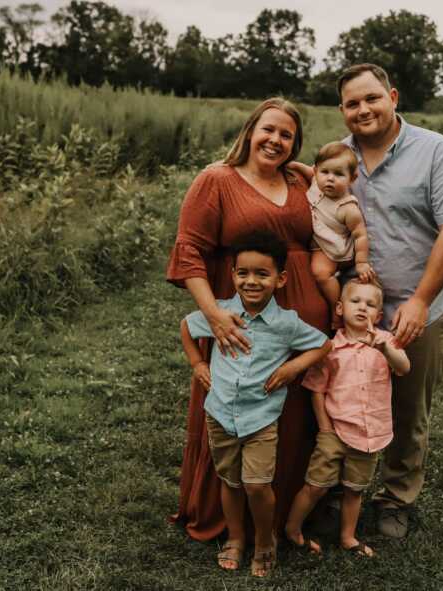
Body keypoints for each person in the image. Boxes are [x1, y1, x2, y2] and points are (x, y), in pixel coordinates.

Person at [165, 98, 330, 557]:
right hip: (240, 318)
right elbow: (189, 252)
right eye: (269, 130)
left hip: (296, 325)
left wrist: (305, 167)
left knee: (292, 415)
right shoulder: (216, 179)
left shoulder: (299, 179)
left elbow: (339, 183)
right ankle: (229, 517)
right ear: (250, 129)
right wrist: (214, 316)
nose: (276, 141)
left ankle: (282, 513)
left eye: (287, 136)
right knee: (235, 403)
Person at [335, 64, 443, 538]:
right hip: (356, 308)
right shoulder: (340, 157)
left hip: (421, 304)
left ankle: (396, 498)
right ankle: (340, 488)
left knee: (407, 406)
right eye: (353, 103)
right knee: (345, 395)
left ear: (393, 96)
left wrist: (419, 300)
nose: (364, 109)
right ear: (343, 111)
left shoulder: (436, 151)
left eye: (372, 98)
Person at [180, 232, 331, 576]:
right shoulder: (220, 314)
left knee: (257, 485)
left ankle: (265, 541)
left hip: (261, 419)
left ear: (280, 279)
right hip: (219, 414)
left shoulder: (286, 323)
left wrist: (293, 367)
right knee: (230, 482)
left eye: (262, 274)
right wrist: (198, 364)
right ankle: (235, 538)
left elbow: (323, 345)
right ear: (232, 275)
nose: (251, 281)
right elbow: (186, 327)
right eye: (243, 273)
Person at [284, 278, 409, 558]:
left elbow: (404, 367)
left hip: (370, 435)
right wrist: (326, 429)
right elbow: (316, 389)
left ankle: (348, 537)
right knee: (316, 485)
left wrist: (385, 349)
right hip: (335, 432)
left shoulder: (386, 341)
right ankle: (292, 529)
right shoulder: (330, 349)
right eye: (356, 301)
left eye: (371, 304)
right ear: (340, 308)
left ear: (379, 315)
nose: (362, 308)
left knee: (355, 489)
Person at [292, 142, 375, 326]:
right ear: (316, 171)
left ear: (352, 178)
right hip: (315, 241)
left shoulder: (347, 208)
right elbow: (306, 170)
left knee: (320, 273)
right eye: (325, 172)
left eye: (338, 174)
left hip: (330, 248)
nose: (330, 179)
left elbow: (360, 235)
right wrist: (291, 164)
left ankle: (336, 308)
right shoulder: (315, 183)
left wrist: (362, 262)